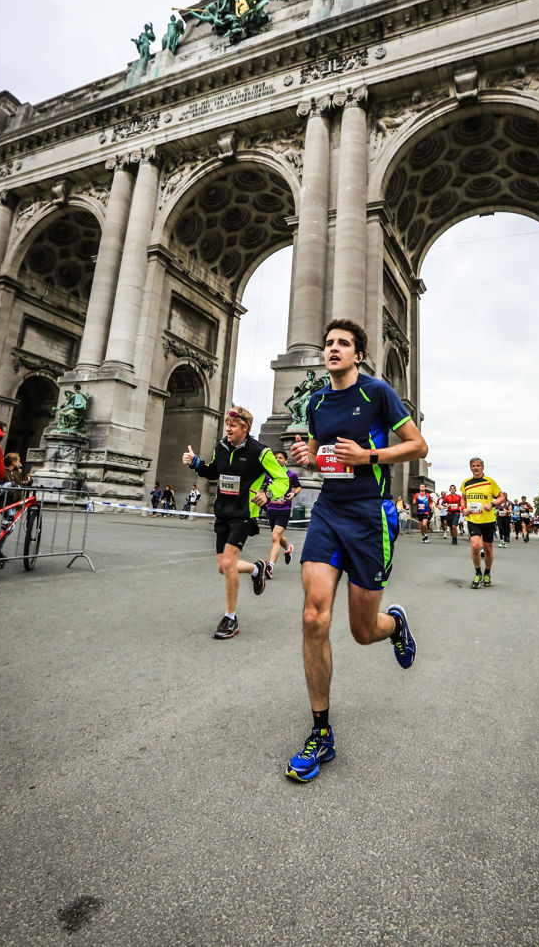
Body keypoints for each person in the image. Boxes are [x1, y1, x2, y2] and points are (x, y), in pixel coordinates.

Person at [287, 319, 428, 782]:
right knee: (314, 617)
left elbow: (417, 445)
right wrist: (306, 458)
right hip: (329, 512)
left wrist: (367, 456)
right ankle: (321, 731)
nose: (333, 348)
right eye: (329, 343)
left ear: (358, 355)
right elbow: (317, 454)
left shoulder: (378, 393)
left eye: (343, 343)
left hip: (370, 516)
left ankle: (395, 625)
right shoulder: (316, 402)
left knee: (362, 631)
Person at [182, 406, 290, 640]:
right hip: (223, 513)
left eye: (233, 425)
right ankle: (256, 568)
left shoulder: (260, 452)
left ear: (245, 427)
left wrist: (268, 494)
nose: (228, 429)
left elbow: (282, 479)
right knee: (223, 567)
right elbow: (213, 471)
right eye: (227, 425)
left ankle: (230, 618)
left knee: (229, 563)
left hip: (244, 514)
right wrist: (195, 463)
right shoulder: (221, 447)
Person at [461, 458, 503, 588]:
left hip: (488, 520)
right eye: (473, 466)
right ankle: (478, 573)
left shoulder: (490, 482)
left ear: (483, 467)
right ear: (470, 468)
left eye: (478, 465)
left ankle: (487, 573)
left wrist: (492, 504)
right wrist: (463, 508)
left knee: (488, 548)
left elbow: (501, 497)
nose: (476, 468)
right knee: (475, 545)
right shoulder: (466, 483)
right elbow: (463, 498)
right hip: (473, 519)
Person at [263, 450, 301, 578]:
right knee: (277, 536)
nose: (278, 459)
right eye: (276, 458)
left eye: (280, 458)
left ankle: (270, 567)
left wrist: (294, 493)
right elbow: (265, 489)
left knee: (275, 536)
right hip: (271, 509)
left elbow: (298, 486)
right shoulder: (268, 474)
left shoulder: (291, 475)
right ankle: (288, 547)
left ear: (285, 461)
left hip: (284, 509)